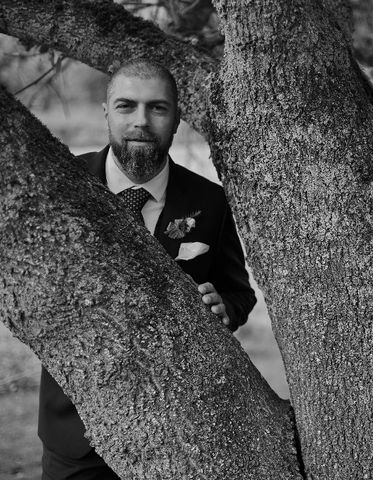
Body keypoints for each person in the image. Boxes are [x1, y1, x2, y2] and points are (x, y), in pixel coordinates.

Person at [38, 59, 257, 479]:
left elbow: (239, 292)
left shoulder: (211, 201)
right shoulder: (62, 185)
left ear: (176, 118)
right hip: (76, 436)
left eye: (157, 108)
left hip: (181, 433)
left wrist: (224, 309)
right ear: (106, 111)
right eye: (126, 106)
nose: (141, 121)